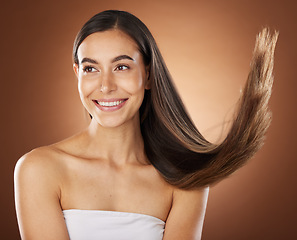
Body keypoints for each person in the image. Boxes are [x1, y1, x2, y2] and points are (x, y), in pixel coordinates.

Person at [14, 10, 278, 240]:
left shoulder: (186, 180)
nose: (105, 86)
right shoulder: (39, 169)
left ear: (148, 75)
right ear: (77, 74)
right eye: (91, 69)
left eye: (121, 67)